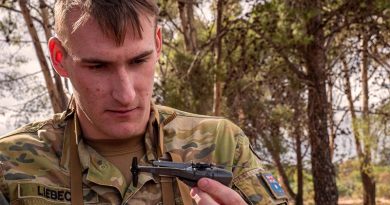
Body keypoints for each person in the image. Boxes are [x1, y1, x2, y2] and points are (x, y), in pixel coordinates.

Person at [0, 0, 288, 204]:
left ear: (158, 44)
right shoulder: (9, 165)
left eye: (139, 60)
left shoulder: (222, 145)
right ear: (59, 58)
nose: (125, 95)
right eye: (98, 66)